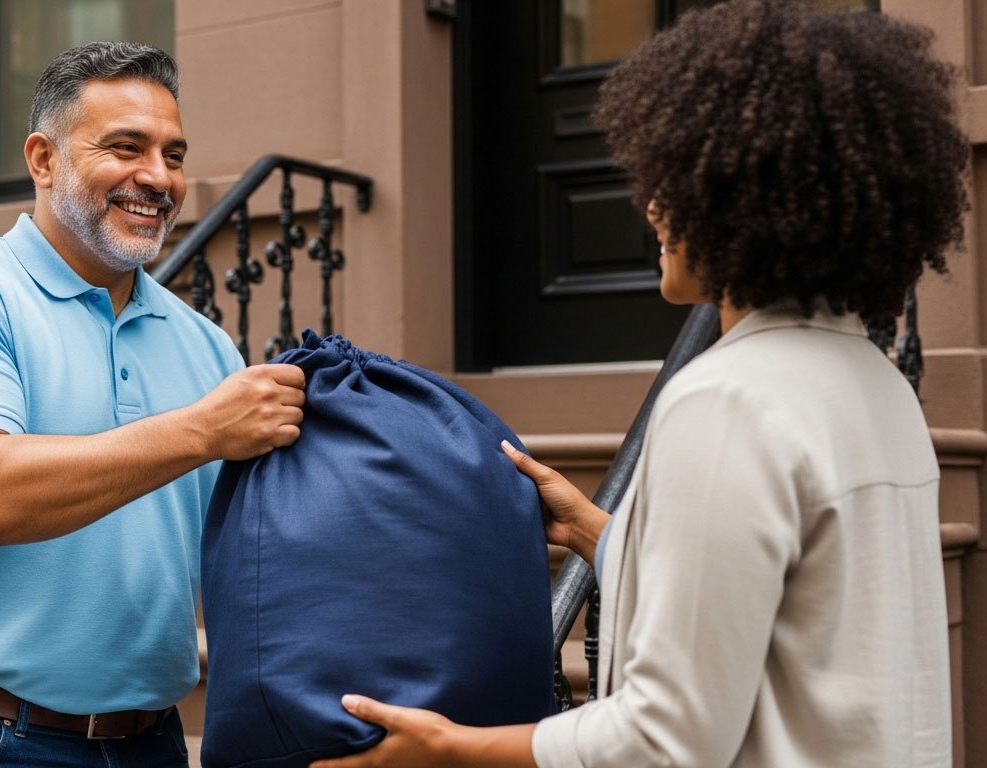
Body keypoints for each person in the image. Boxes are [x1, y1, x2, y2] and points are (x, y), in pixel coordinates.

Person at [311, 2, 967, 766]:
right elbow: (796, 601)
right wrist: (597, 531)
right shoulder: (876, 383)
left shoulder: (726, 399)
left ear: (744, 199)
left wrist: (454, 748)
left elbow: (666, 739)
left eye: (678, 180)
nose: (652, 207)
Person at [0, 41, 306, 766]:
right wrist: (201, 431)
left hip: (151, 741)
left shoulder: (206, 347)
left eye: (173, 154)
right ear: (43, 160)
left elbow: (250, 554)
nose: (157, 178)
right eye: (126, 147)